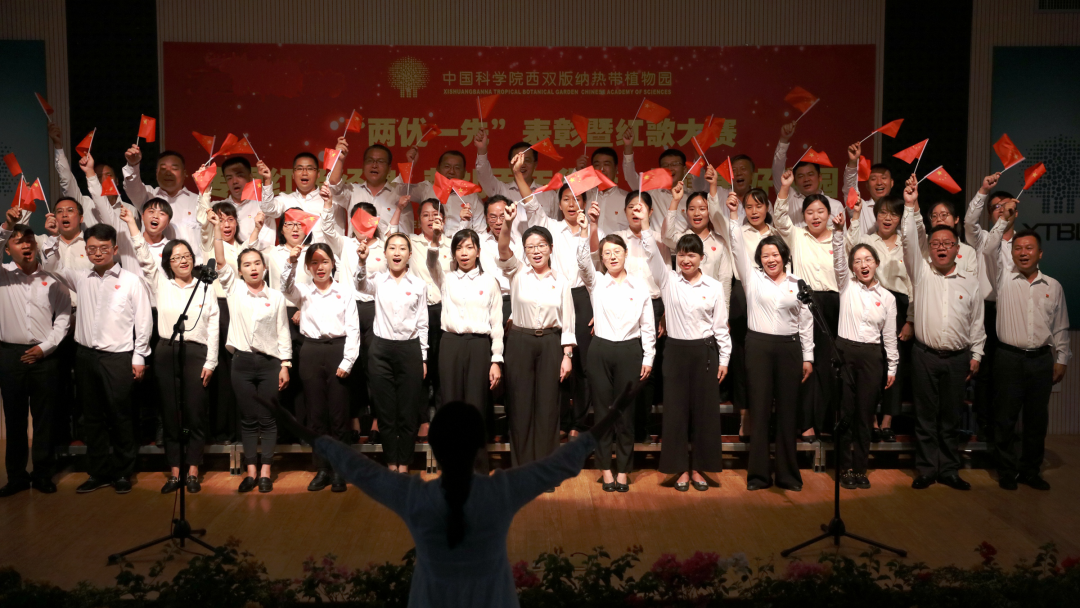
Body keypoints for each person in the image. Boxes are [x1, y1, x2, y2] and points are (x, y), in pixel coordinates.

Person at [271, 381, 642, 608]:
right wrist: (614, 412)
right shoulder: (500, 492)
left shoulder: (415, 498)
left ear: (433, 447)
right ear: (481, 447)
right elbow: (562, 462)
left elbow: (356, 466)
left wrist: (298, 428)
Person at [43, 223, 153, 494]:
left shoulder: (131, 281)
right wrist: (54, 237)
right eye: (92, 249)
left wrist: (139, 355)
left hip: (118, 357)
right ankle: (98, 472)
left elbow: (144, 321)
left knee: (121, 416)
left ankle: (123, 472)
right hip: (85, 356)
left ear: (115, 249)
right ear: (86, 250)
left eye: (103, 248)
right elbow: (51, 267)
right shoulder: (81, 277)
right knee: (91, 418)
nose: (98, 253)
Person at [119, 207, 218, 494]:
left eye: (186, 256)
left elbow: (213, 325)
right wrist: (132, 224)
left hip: (197, 353)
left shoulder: (205, 287)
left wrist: (211, 361)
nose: (183, 261)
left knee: (195, 414)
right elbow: (143, 254)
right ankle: (175, 472)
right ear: (168, 263)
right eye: (176, 258)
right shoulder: (160, 283)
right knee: (171, 414)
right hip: (166, 351)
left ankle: (193, 471)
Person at [728, 178, 814, 492]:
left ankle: (788, 475)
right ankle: (759, 476)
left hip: (790, 348)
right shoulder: (752, 279)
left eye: (775, 254)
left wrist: (808, 356)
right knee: (760, 411)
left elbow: (806, 322)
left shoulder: (797, 283)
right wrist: (734, 216)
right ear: (759, 259)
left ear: (784, 256)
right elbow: (736, 244)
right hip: (759, 347)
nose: (770, 259)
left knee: (788, 413)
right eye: (765, 255)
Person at [901, 180, 985, 490]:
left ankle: (949, 469)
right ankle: (926, 469)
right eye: (935, 243)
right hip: (925, 355)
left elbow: (977, 322)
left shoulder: (970, 282)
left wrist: (977, 354)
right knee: (925, 417)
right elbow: (909, 240)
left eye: (947, 243)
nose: (940, 247)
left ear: (956, 249)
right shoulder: (921, 272)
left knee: (951, 418)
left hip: (958, 358)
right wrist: (910, 205)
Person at [983, 201, 1069, 491]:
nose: (1023, 252)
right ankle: (1007, 471)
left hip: (1041, 360)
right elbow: (988, 249)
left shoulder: (1053, 286)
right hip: (1008, 358)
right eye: (1018, 248)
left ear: (1040, 253)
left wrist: (1062, 359)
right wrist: (1004, 221)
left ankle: (1031, 471)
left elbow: (1061, 327)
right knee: (1005, 418)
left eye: (1029, 248)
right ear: (1012, 253)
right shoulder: (1003, 278)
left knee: (1036, 420)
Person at [510, 154, 592, 439]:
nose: (572, 204)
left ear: (584, 203)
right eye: (566, 199)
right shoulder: (550, 228)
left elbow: (598, 269)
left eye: (577, 199)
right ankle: (559, 420)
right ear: (559, 204)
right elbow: (530, 202)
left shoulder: (591, 228)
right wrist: (518, 175)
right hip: (553, 298)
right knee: (556, 363)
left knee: (581, 365)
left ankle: (578, 422)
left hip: (583, 298)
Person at [642, 226, 728, 491]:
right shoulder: (668, 280)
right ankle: (679, 468)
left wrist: (724, 359)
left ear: (702, 257)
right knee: (675, 413)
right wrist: (645, 227)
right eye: (681, 255)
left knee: (704, 413)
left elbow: (720, 327)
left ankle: (700, 468)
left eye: (691, 255)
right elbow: (651, 254)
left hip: (705, 352)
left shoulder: (714, 287)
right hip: (675, 352)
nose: (686, 260)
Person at [212, 213, 291, 493]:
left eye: (257, 263)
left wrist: (285, 364)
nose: (253, 268)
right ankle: (251, 472)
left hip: (270, 364)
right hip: (242, 363)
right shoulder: (234, 290)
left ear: (265, 268)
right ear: (240, 271)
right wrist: (217, 230)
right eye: (246, 264)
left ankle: (266, 472)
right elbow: (220, 260)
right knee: (247, 419)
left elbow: (283, 331)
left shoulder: (276, 297)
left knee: (268, 418)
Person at [496, 203, 575, 470]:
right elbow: (503, 249)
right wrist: (507, 224)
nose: (536, 251)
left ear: (551, 248)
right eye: (530, 247)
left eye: (541, 245)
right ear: (525, 251)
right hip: (520, 342)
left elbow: (568, 323)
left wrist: (567, 355)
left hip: (551, 342)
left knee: (548, 406)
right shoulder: (517, 272)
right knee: (520, 405)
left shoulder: (561, 281)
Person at [577, 223, 655, 492]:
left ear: (625, 254)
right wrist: (585, 232)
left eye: (616, 251)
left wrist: (649, 357)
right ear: (602, 257)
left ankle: (623, 470)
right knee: (602, 414)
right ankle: (605, 470)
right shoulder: (596, 282)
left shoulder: (639, 286)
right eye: (607, 253)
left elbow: (648, 326)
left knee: (625, 414)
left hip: (630, 351)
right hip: (600, 350)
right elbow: (582, 260)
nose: (612, 256)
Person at [324, 196, 408, 445]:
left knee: (375, 367)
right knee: (351, 366)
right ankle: (353, 419)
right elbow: (327, 228)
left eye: (367, 220)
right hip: (346, 310)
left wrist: (399, 209)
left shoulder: (383, 247)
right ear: (352, 222)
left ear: (375, 222)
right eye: (357, 220)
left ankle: (377, 421)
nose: (362, 226)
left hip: (375, 310)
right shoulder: (345, 244)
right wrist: (328, 204)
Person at [0, 209, 71, 496]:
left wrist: (45, 348)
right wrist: (8, 225)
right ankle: (16, 476)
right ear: (7, 249)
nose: (26, 244)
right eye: (18, 240)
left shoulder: (52, 279)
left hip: (45, 356)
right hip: (10, 356)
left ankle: (43, 473)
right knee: (14, 419)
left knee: (45, 419)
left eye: (29, 239)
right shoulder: (3, 275)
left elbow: (63, 317)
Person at [281, 238, 359, 493]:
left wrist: (348, 360)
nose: (320, 267)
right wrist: (291, 262)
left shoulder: (344, 291)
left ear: (333, 264)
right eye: (314, 263)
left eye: (324, 261)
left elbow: (353, 329)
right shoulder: (303, 291)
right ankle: (322, 468)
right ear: (307, 267)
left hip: (338, 350)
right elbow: (285, 287)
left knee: (339, 415)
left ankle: (339, 470)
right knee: (315, 415)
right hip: (311, 351)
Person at [830, 211, 898, 490]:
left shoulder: (888, 298)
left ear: (876, 263)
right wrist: (838, 232)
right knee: (845, 413)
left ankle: (860, 469)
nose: (863, 264)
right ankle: (845, 467)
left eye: (867, 259)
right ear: (852, 268)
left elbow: (889, 337)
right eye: (857, 261)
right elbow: (838, 259)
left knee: (865, 414)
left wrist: (892, 367)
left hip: (872, 356)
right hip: (845, 353)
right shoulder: (846, 285)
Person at [771, 170, 839, 442]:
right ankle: (806, 423)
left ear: (829, 214)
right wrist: (785, 187)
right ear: (804, 216)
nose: (815, 216)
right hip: (806, 303)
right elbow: (779, 218)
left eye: (821, 211)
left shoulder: (839, 237)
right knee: (805, 363)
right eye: (810, 212)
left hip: (834, 304)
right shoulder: (797, 236)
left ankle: (826, 421)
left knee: (829, 365)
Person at [710, 177, 778, 441]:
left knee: (767, 357)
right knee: (741, 359)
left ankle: (766, 416)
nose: (754, 211)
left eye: (759, 206)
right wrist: (725, 204)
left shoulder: (777, 233)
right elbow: (715, 216)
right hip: (742, 294)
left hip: (772, 293)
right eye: (749, 206)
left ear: (767, 207)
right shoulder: (736, 230)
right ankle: (745, 417)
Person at [354, 232, 429, 472]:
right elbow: (359, 284)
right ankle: (390, 464)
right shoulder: (377, 280)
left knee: (407, 412)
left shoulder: (419, 285)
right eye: (392, 248)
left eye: (402, 248)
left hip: (410, 349)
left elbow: (423, 323)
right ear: (385, 253)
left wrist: (423, 357)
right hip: (381, 351)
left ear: (409, 254)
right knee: (386, 412)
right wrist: (362, 261)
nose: (397, 253)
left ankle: (404, 465)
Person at [426, 226, 503, 444]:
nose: (464, 253)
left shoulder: (489, 282)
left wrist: (496, 360)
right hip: (450, 344)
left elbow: (496, 323)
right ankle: (452, 459)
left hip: (479, 345)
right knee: (450, 402)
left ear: (478, 251)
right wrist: (435, 239)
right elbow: (431, 263)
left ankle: (476, 459)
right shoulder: (446, 279)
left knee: (476, 403)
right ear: (453, 253)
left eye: (469, 247)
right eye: (459, 248)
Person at [846, 195, 913, 442]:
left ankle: (887, 420)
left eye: (893, 214)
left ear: (900, 218)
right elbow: (850, 247)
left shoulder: (907, 244)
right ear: (875, 216)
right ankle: (871, 418)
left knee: (895, 364)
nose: (887, 218)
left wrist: (911, 319)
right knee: (872, 364)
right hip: (870, 301)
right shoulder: (867, 240)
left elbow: (914, 283)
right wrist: (854, 217)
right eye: (882, 212)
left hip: (900, 306)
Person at [964, 172, 1014, 443]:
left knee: (1006, 374)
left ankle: (1004, 431)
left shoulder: (1023, 245)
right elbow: (969, 221)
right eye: (996, 207)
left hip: (1012, 312)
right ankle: (983, 427)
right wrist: (983, 189)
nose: (1002, 210)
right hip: (986, 310)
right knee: (982, 371)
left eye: (1006, 206)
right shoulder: (982, 238)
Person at [407, 200, 453, 436]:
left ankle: (444, 418)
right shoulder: (411, 243)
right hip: (419, 311)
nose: (430, 219)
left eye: (435, 214)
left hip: (446, 310)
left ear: (443, 219)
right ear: (419, 220)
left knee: (443, 367)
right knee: (421, 366)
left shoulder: (453, 244)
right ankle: (423, 419)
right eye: (425, 215)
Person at [123, 147, 201, 257]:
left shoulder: (198, 201)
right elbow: (132, 186)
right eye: (163, 168)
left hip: (191, 264)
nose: (168, 172)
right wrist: (133, 165)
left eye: (174, 168)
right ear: (156, 173)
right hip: (152, 263)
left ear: (185, 173)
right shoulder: (148, 196)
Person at [327, 140, 412, 236]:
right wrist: (339, 159)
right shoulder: (352, 191)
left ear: (389, 168)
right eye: (370, 161)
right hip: (357, 245)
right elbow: (334, 186)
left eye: (380, 161)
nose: (374, 165)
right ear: (363, 166)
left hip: (387, 246)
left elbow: (406, 232)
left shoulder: (399, 196)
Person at [473, 129, 556, 228]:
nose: (522, 164)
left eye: (527, 160)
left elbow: (555, 228)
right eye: (517, 159)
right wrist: (482, 150)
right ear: (510, 164)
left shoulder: (549, 194)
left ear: (535, 164)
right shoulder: (501, 191)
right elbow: (484, 176)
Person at [772, 121, 848, 227]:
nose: (806, 179)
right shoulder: (789, 199)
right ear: (794, 181)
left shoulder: (835, 206)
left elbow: (842, 236)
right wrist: (784, 140)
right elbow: (777, 170)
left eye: (810, 174)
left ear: (820, 177)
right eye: (801, 176)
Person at [257, 152, 343, 244]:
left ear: (318, 174)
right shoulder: (285, 199)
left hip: (321, 252)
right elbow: (268, 209)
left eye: (310, 168)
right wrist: (267, 180)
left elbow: (337, 235)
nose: (304, 173)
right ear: (293, 174)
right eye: (299, 168)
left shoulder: (330, 201)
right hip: (293, 252)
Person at [404, 148, 484, 235]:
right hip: (432, 241)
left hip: (461, 242)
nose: (451, 171)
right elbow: (401, 191)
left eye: (457, 168)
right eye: (447, 166)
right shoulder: (426, 190)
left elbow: (480, 232)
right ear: (438, 168)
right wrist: (410, 164)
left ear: (464, 172)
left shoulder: (473, 197)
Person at [219, 156, 277, 250]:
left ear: (250, 177)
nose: (234, 181)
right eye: (229, 178)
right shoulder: (220, 208)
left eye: (239, 175)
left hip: (264, 257)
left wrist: (267, 180)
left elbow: (270, 208)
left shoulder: (264, 204)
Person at [841, 142, 894, 235]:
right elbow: (850, 188)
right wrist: (853, 162)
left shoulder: (899, 209)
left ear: (892, 183)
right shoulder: (860, 207)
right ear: (867, 186)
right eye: (873, 179)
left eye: (883, 178)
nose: (879, 182)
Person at [580, 147, 629, 237]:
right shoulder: (583, 196)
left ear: (616, 168)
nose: (602, 169)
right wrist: (577, 170)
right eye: (597, 164)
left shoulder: (627, 199)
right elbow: (564, 196)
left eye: (607, 164)